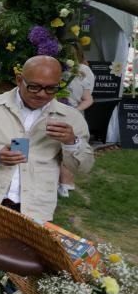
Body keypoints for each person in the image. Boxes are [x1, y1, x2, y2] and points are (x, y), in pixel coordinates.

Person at [0, 55, 95, 267]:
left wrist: (71, 142)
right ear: (19, 80)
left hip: (34, 209)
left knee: (21, 273)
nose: (42, 94)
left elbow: (84, 167)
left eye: (51, 89)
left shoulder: (70, 117)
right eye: (34, 87)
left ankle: (5, 292)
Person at [59, 45, 95, 197]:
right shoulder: (80, 70)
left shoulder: (79, 71)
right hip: (69, 112)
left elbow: (88, 99)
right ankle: (65, 184)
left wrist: (74, 110)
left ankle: (65, 183)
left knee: (68, 147)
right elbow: (88, 98)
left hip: (70, 114)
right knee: (67, 148)